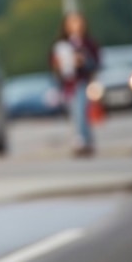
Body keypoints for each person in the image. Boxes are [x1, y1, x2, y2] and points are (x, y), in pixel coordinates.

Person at [49, 11, 100, 157]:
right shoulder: (61, 44)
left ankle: (81, 140)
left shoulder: (88, 43)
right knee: (75, 111)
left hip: (82, 81)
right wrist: (58, 64)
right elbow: (53, 66)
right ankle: (86, 139)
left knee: (80, 109)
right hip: (67, 84)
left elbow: (96, 63)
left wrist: (83, 61)